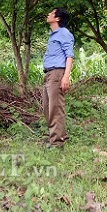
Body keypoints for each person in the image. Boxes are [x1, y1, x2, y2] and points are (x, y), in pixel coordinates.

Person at [42, 8, 74, 148]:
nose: (48, 14)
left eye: (51, 13)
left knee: (56, 108)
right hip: (48, 74)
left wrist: (65, 77)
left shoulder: (64, 33)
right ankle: (59, 136)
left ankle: (57, 142)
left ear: (57, 18)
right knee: (47, 108)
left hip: (57, 73)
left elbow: (69, 56)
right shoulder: (53, 34)